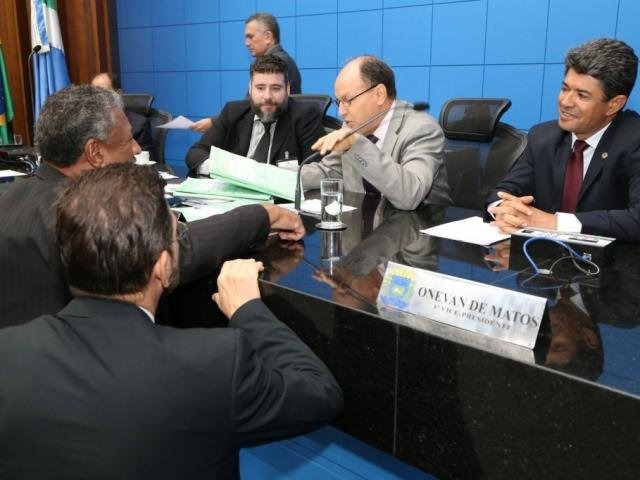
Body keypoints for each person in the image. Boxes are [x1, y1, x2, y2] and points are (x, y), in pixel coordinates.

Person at [0, 163, 343, 479]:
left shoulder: (9, 352)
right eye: (177, 232)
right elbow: (320, 394)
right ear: (163, 267)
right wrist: (248, 310)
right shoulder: (215, 363)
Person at [0, 84, 304, 327]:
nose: (136, 149)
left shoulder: (8, 198)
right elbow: (175, 251)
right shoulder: (82, 217)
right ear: (95, 153)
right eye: (128, 140)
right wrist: (262, 215)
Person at [487, 38, 640, 242]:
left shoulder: (634, 140)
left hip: (611, 266)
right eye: (565, 88)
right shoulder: (543, 137)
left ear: (614, 105)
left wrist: (555, 223)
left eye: (582, 95)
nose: (565, 102)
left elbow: (636, 219)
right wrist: (504, 209)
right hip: (540, 259)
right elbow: (503, 191)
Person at [300, 55, 450, 211]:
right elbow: (329, 171)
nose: (341, 112)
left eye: (348, 100)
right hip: (365, 223)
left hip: (416, 226)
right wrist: (274, 176)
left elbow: (410, 195)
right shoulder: (355, 125)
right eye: (339, 102)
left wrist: (355, 144)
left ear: (379, 94)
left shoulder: (421, 128)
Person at [185, 55, 324, 175]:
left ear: (287, 89)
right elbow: (196, 152)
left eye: (276, 88)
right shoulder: (232, 112)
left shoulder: (305, 116)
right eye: (260, 88)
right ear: (250, 88)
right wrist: (225, 171)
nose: (267, 96)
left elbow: (318, 168)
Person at [191, 12, 302, 133]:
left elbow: (249, 106)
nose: (246, 43)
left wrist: (215, 122)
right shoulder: (282, 60)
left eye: (250, 37)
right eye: (260, 88)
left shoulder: (276, 65)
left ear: (268, 37)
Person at [90, 72, 155, 160]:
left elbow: (144, 160)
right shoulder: (87, 122)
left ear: (118, 93)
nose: (97, 97)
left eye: (103, 92)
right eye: (93, 93)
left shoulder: (138, 124)